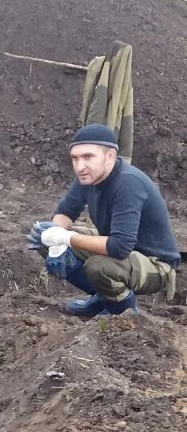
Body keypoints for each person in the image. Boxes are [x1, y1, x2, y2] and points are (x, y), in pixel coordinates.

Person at [27, 124, 180, 317]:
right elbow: (65, 212)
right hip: (119, 249)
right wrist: (54, 240)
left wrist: (65, 238)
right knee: (44, 236)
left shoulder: (128, 183)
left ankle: (123, 311)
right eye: (75, 158)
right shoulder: (88, 176)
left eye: (88, 157)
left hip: (156, 264)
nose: (80, 166)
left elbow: (120, 246)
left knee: (99, 267)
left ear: (110, 156)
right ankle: (102, 297)